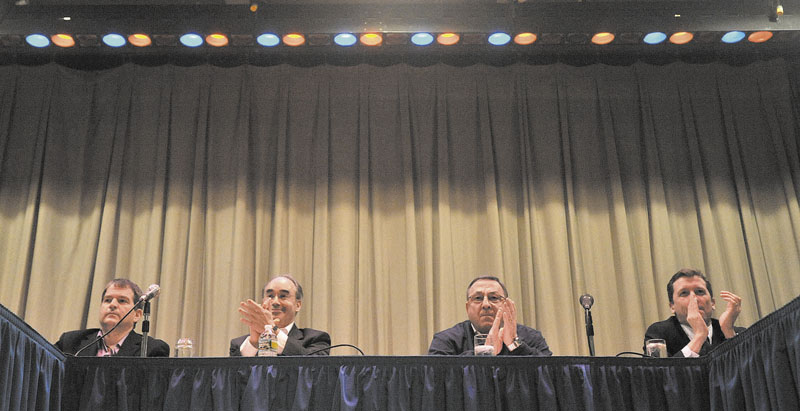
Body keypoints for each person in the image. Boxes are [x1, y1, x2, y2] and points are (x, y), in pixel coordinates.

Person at [428, 275, 552, 356]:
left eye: (494, 298)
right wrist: (484, 353)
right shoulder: (446, 339)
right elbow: (435, 378)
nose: (486, 304)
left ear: (506, 304)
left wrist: (515, 344)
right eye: (478, 298)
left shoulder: (531, 337)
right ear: (467, 307)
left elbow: (549, 376)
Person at [55, 278, 170, 357]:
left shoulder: (151, 350)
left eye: (122, 301)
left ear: (137, 315)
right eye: (108, 300)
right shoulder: (71, 342)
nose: (113, 305)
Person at [644, 268, 745, 357]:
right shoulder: (659, 334)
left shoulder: (737, 333)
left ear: (713, 303)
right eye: (684, 293)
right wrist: (699, 336)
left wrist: (728, 332)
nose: (694, 298)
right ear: (672, 307)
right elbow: (661, 376)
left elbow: (750, 372)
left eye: (699, 292)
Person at [230, 274, 331, 356]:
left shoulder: (316, 339)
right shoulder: (239, 344)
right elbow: (233, 378)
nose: (275, 302)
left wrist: (273, 330)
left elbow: (312, 371)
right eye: (270, 296)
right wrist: (254, 343)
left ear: (298, 305)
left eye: (283, 296)